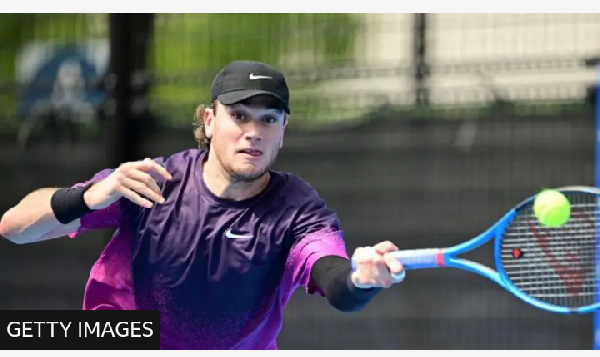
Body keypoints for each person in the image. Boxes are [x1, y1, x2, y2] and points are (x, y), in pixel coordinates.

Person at [0, 60, 405, 349]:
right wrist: (89, 196)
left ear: (283, 131)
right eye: (239, 115)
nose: (253, 132)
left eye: (268, 119)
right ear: (210, 121)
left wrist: (361, 279)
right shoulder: (153, 183)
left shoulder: (297, 210)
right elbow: (14, 228)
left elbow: (334, 278)